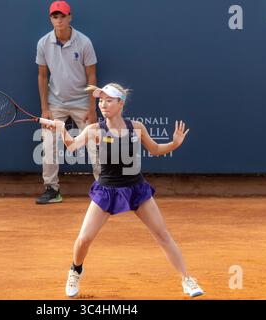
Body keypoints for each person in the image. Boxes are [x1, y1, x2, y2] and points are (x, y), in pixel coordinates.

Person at [50, 83, 204, 298]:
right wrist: (61, 129)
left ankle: (187, 279)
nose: (103, 104)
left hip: (136, 189)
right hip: (107, 190)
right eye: (101, 100)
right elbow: (73, 146)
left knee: (162, 235)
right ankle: (75, 271)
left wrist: (174, 144)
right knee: (84, 238)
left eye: (109, 100)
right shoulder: (94, 129)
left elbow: (155, 149)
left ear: (121, 103)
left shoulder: (137, 128)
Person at [35, 0, 100, 204]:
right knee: (49, 144)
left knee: (94, 145)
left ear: (70, 17)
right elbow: (42, 77)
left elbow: (92, 77)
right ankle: (52, 189)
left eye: (63, 16)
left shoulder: (84, 42)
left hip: (82, 101)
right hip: (56, 103)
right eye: (55, 16)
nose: (59, 20)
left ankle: (105, 188)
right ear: (50, 19)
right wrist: (45, 109)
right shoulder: (43, 43)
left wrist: (92, 108)